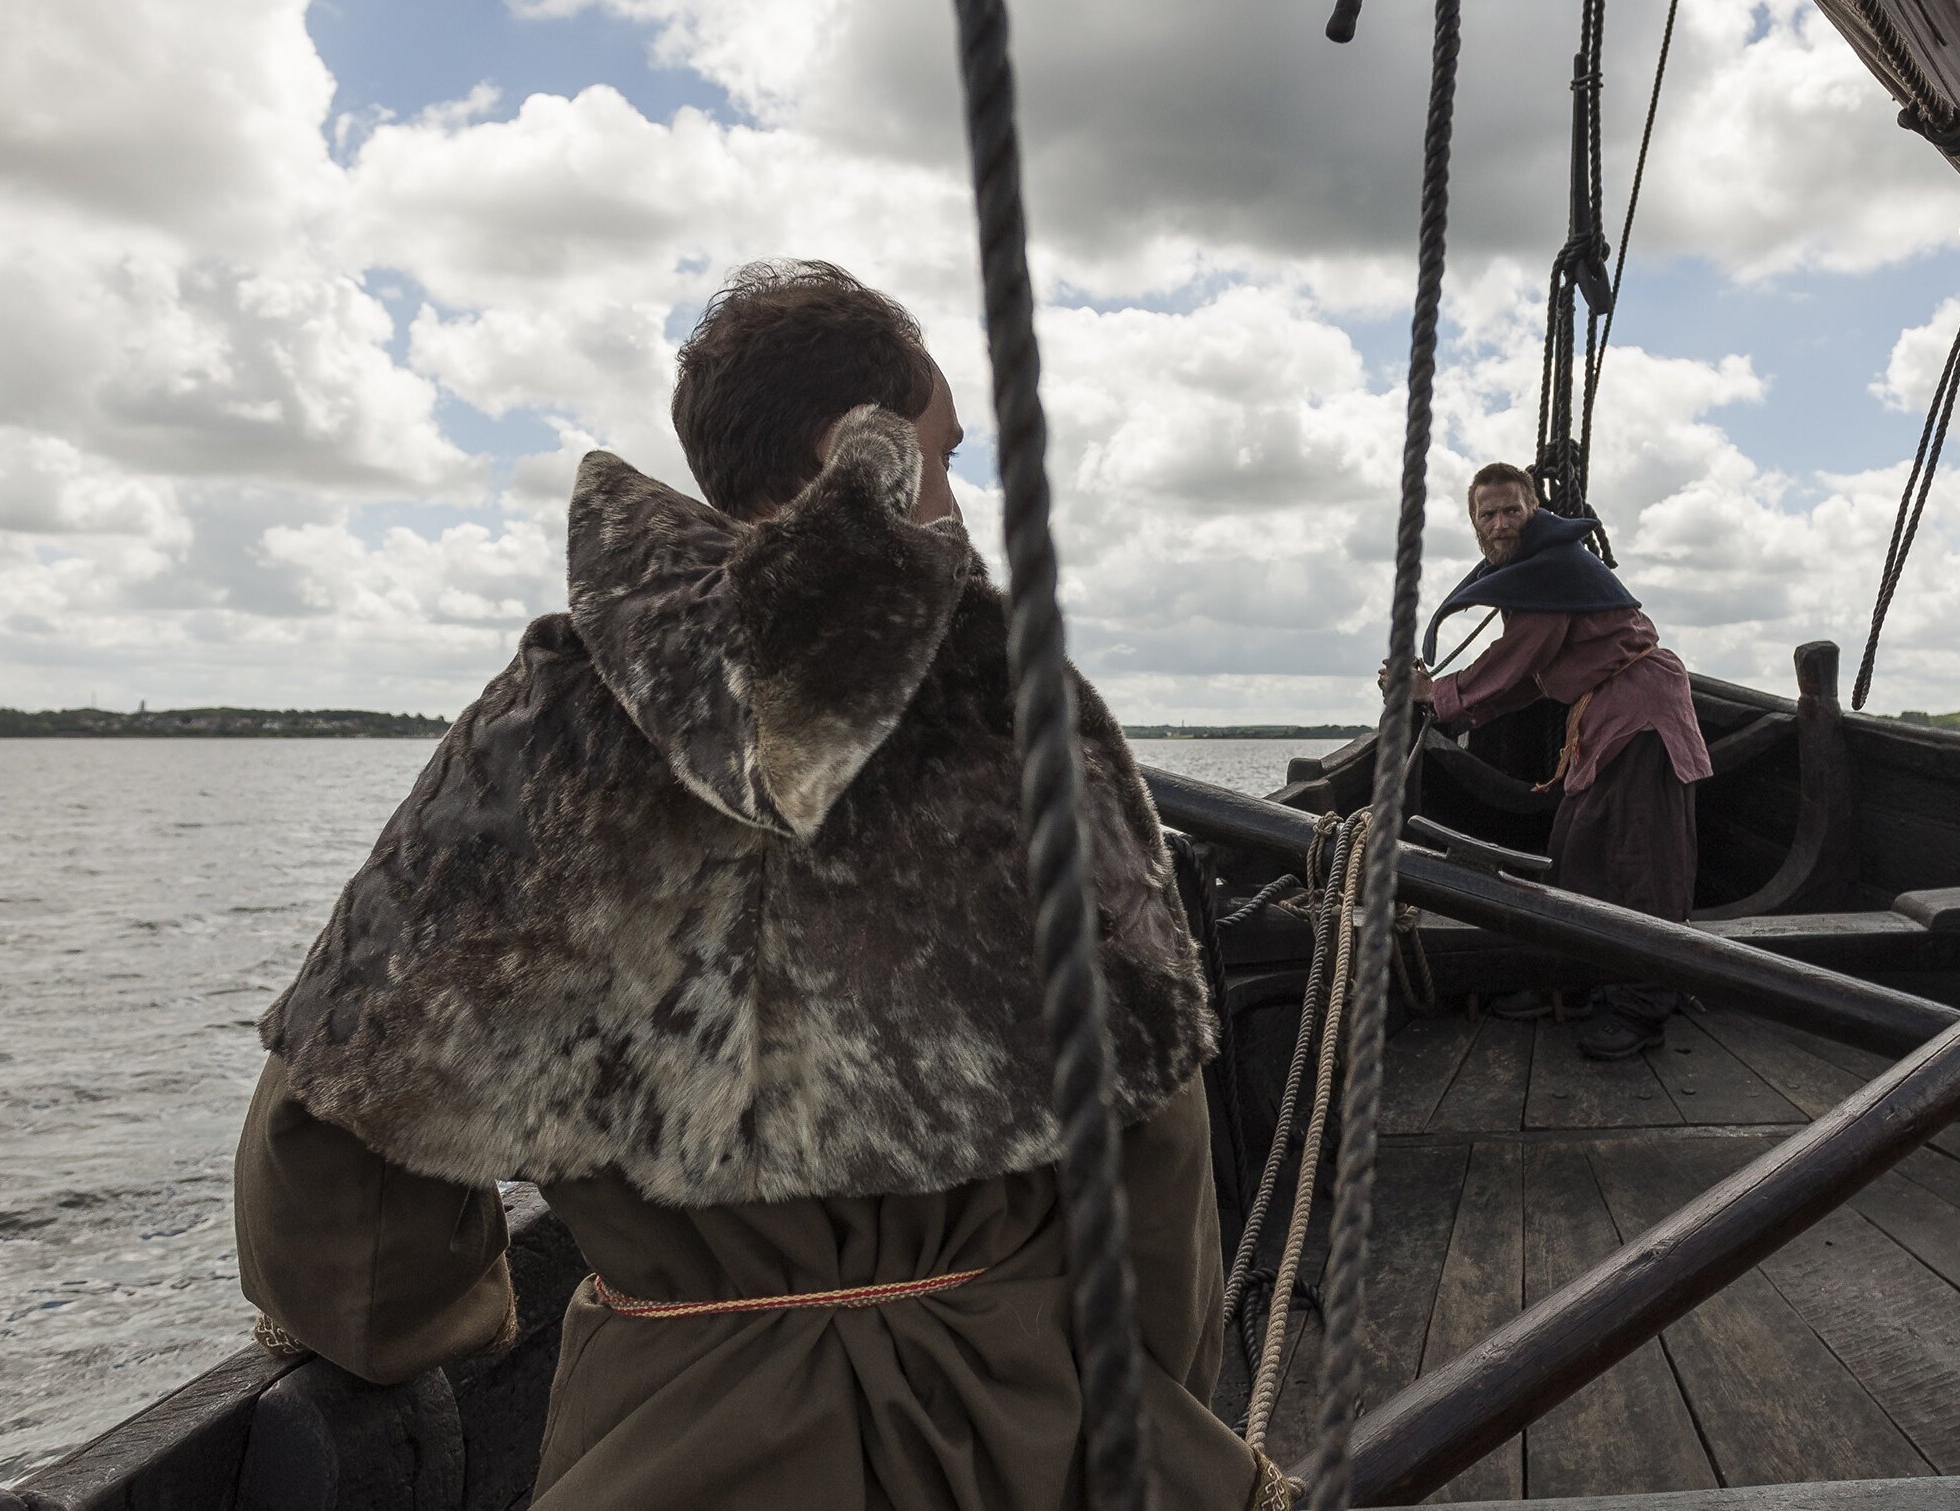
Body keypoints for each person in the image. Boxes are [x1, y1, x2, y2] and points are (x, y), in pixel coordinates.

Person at [231, 262, 1275, 1509]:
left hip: (661, 1443)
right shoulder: (1010, 721)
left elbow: (328, 1131)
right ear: (860, 452)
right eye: (940, 458)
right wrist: (1146, 1385)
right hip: (1026, 1433)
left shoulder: (539, 733)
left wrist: (434, 1317)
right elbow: (1153, 1129)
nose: (954, 506)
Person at [1392, 462, 1712, 1059]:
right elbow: (1530, 680)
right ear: (1474, 524)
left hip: (1638, 718)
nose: (1500, 523)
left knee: (1641, 862)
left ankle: (1644, 1007)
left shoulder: (1552, 570)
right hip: (1607, 717)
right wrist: (1448, 702)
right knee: (1579, 849)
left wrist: (1432, 694)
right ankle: (1578, 981)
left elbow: (1517, 658)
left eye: (1512, 509)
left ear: (1534, 510)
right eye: (1487, 514)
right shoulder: (1539, 572)